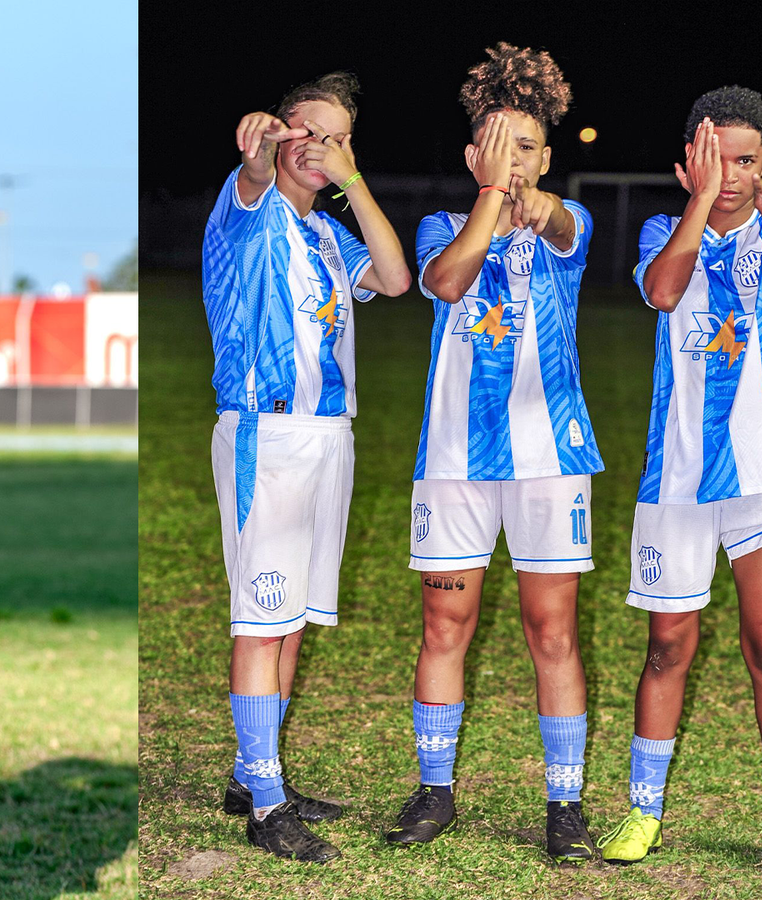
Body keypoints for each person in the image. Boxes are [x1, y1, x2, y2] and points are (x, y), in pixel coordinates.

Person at [384, 43, 603, 861]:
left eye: (529, 145)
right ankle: (436, 790)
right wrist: (488, 197)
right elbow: (444, 282)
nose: (517, 159)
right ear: (476, 152)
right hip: (453, 460)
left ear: (547, 155)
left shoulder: (564, 228)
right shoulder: (446, 225)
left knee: (553, 632)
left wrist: (531, 200)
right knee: (446, 624)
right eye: (500, 143)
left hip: (551, 460)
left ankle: (565, 805)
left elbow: (564, 224)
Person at [596, 86, 762, 879]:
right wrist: (697, 202)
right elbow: (662, 291)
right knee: (665, 649)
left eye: (746, 161)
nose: (731, 175)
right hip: (678, 480)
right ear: (690, 161)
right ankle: (643, 813)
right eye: (713, 158)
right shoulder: (665, 229)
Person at [201, 71, 411, 863]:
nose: (320, 147)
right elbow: (253, 174)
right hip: (268, 434)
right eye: (308, 131)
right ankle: (265, 804)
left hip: (330, 436)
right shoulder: (246, 212)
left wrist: (352, 181)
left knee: (288, 619)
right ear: (281, 133)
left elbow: (394, 280)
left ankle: (253, 775)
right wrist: (259, 149)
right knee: (261, 619)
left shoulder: (328, 232)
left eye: (338, 136)